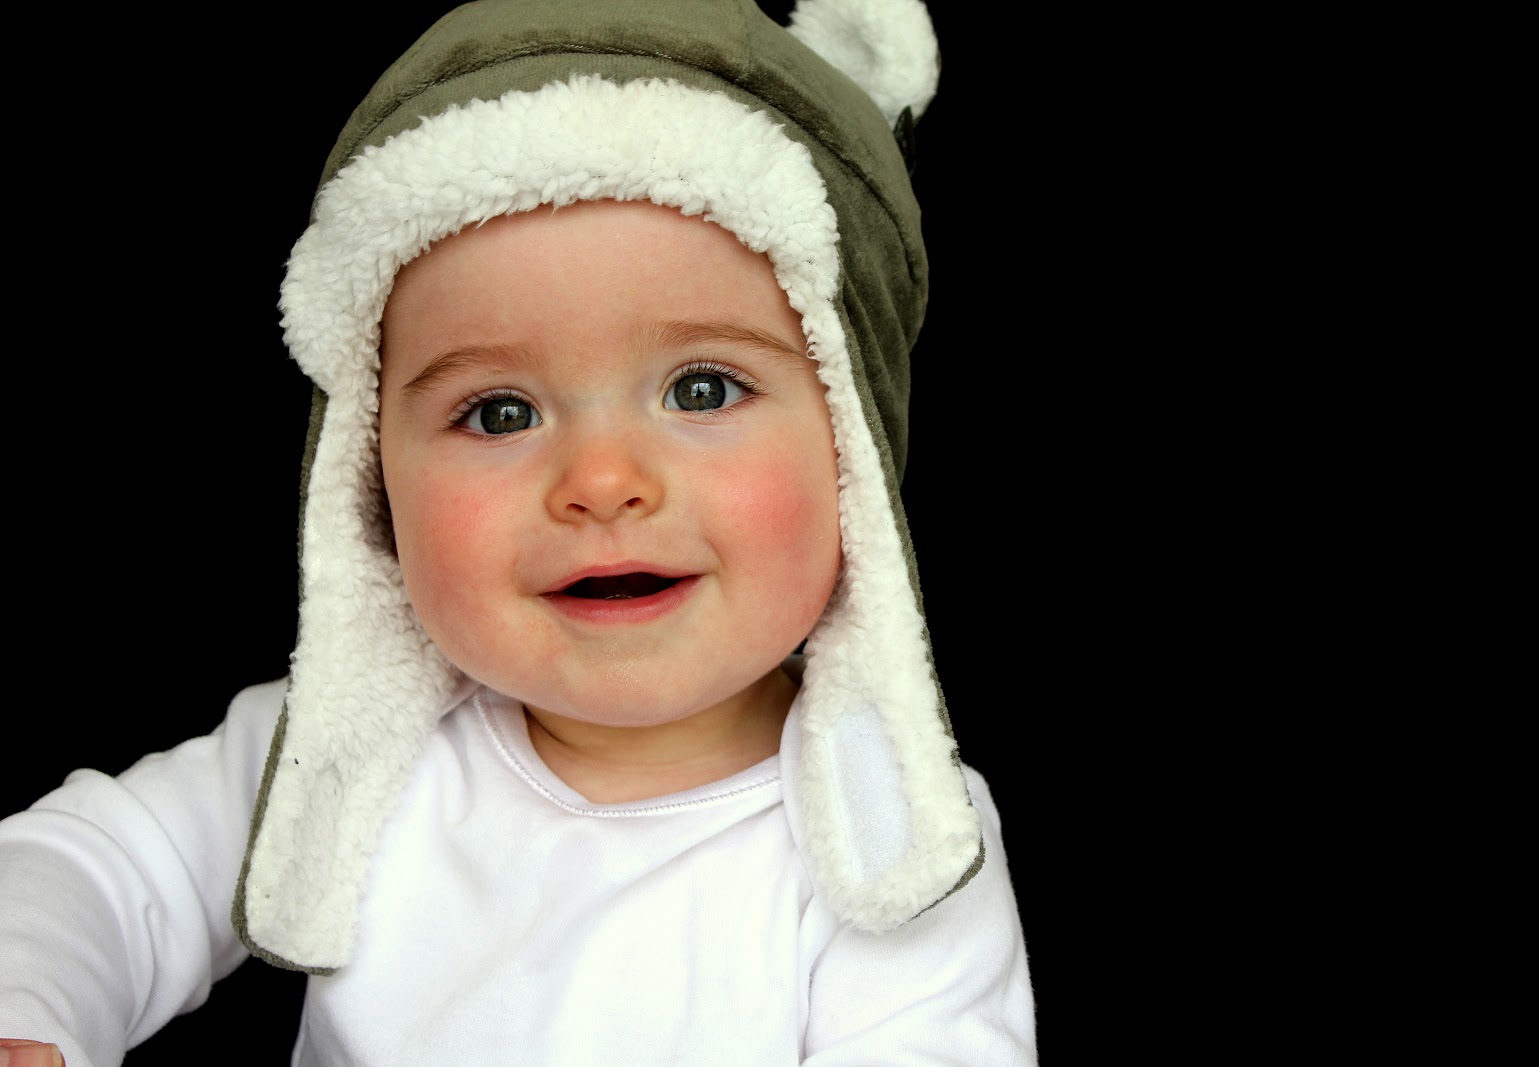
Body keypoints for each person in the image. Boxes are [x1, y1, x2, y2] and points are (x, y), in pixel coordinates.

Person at [0, 0, 1037, 1063]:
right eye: (499, 412)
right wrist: (31, 1010)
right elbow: (93, 867)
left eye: (703, 388)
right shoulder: (342, 746)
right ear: (370, 478)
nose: (601, 482)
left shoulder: (895, 838)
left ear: (852, 446)